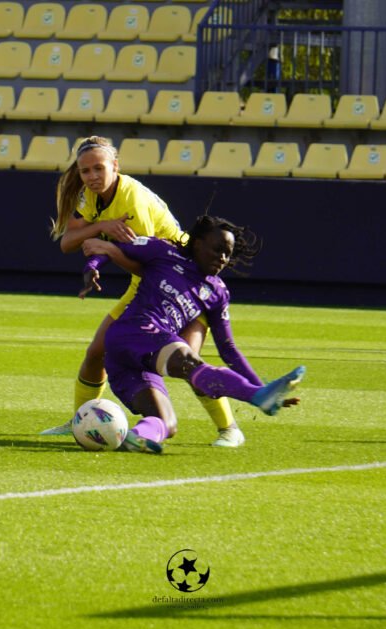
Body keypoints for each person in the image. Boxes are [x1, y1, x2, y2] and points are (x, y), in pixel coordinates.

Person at [42, 136, 248, 448]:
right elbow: (68, 242)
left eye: (99, 168)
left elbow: (148, 265)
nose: (92, 176)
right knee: (96, 351)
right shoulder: (90, 196)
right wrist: (104, 227)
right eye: (85, 171)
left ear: (116, 166)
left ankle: (230, 428)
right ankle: (80, 421)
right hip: (155, 283)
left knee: (189, 362)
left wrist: (106, 247)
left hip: (188, 283)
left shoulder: (132, 200)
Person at [79, 214, 304, 453]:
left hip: (136, 364)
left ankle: (135, 437)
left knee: (167, 423)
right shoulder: (162, 252)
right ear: (197, 243)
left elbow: (228, 349)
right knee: (188, 360)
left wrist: (264, 387)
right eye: (217, 249)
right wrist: (92, 267)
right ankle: (257, 396)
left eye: (228, 254)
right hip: (132, 331)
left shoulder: (217, 292)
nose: (223, 258)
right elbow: (109, 248)